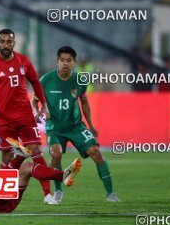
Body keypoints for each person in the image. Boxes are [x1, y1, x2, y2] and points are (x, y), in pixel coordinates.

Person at [0, 29, 57, 204]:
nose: (6, 45)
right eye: (2, 41)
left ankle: (47, 194)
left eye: (9, 41)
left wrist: (44, 105)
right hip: (3, 119)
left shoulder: (24, 61)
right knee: (7, 157)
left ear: (14, 43)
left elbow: (35, 82)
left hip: (25, 115)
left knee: (36, 150)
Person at [32, 46, 120, 203]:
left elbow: (84, 102)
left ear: (74, 62)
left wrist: (91, 126)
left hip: (75, 126)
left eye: (69, 60)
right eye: (62, 60)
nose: (65, 63)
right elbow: (34, 101)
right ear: (57, 62)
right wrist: (38, 111)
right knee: (56, 153)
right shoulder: (46, 80)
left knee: (96, 151)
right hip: (55, 127)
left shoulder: (80, 80)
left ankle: (111, 195)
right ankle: (58, 190)